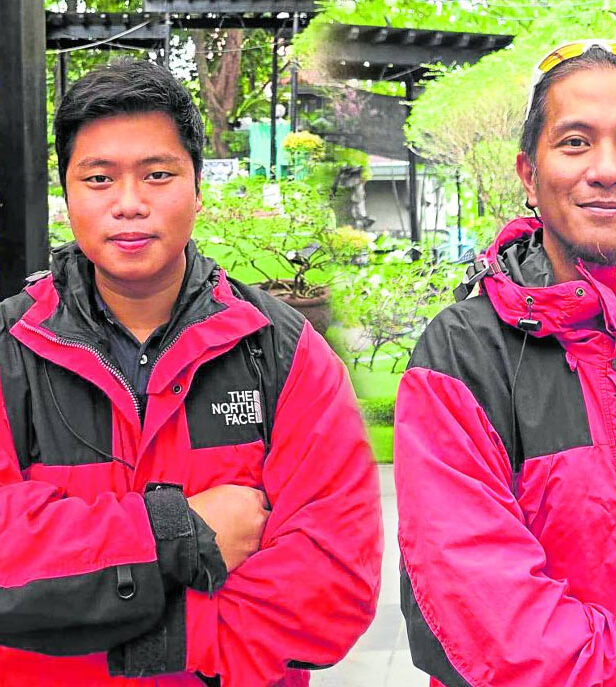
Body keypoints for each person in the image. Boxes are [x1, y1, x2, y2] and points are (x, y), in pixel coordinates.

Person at [0, 58, 382, 687]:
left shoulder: (283, 351)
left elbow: (334, 583)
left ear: (198, 188)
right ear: (67, 194)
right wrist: (181, 533)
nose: (129, 204)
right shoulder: (10, 350)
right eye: (98, 178)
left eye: (158, 174)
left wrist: (141, 640)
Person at [394, 40, 616, 687]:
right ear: (529, 173)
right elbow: (473, 594)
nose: (606, 169)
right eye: (576, 142)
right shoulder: (463, 355)